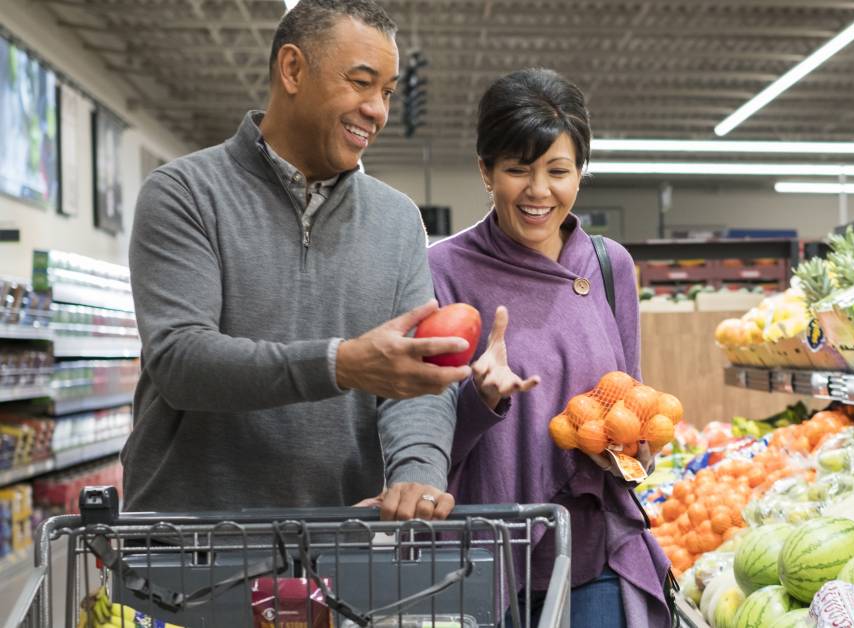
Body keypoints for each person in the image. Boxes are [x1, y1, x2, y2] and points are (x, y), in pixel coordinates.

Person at [123, 0, 531, 518]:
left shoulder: (397, 220)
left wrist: (417, 471)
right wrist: (341, 365)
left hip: (338, 535)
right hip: (192, 542)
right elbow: (181, 362)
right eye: (361, 83)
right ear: (292, 69)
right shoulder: (185, 194)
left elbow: (418, 379)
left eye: (386, 92)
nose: (378, 110)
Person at [423, 68, 671, 627]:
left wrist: (634, 450)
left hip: (593, 546)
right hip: (482, 553)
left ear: (580, 175)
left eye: (558, 171)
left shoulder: (609, 267)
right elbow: (419, 436)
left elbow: (625, 399)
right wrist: (479, 399)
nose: (539, 192)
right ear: (484, 171)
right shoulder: (441, 271)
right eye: (517, 170)